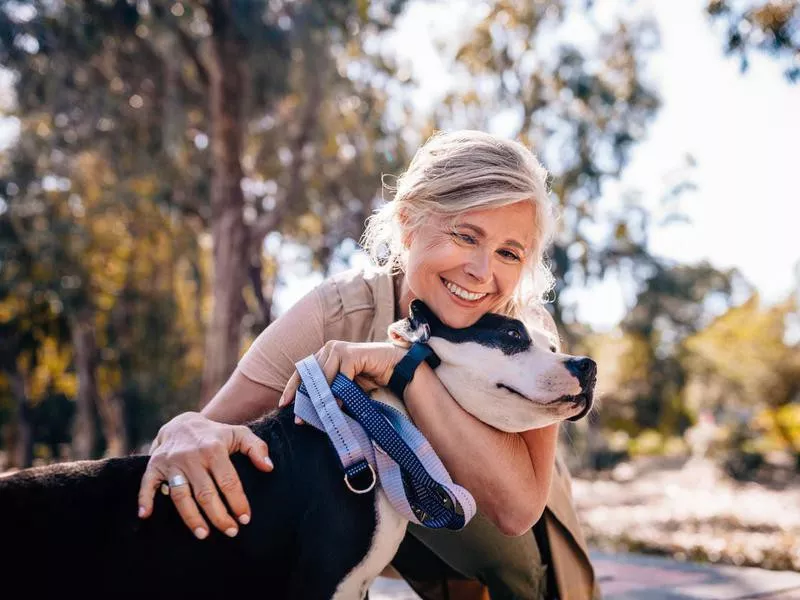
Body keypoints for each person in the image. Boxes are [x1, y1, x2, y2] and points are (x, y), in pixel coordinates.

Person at [137, 130, 600, 600]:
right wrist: (183, 431)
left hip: (502, 548)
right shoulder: (338, 311)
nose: (482, 272)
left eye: (508, 252)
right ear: (409, 223)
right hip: (364, 513)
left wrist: (406, 369)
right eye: (465, 235)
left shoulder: (529, 334)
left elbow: (516, 511)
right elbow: (207, 428)